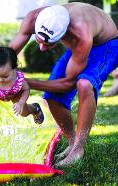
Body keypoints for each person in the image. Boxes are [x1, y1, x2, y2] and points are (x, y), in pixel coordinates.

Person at [9, 2, 118, 167]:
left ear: (66, 32)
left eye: (49, 44)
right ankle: (72, 142)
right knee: (52, 96)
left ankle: (78, 149)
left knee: (84, 84)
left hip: (106, 45)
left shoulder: (81, 33)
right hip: (79, 44)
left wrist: (26, 82)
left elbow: (68, 84)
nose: (42, 48)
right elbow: (5, 56)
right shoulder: (33, 17)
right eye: (39, 40)